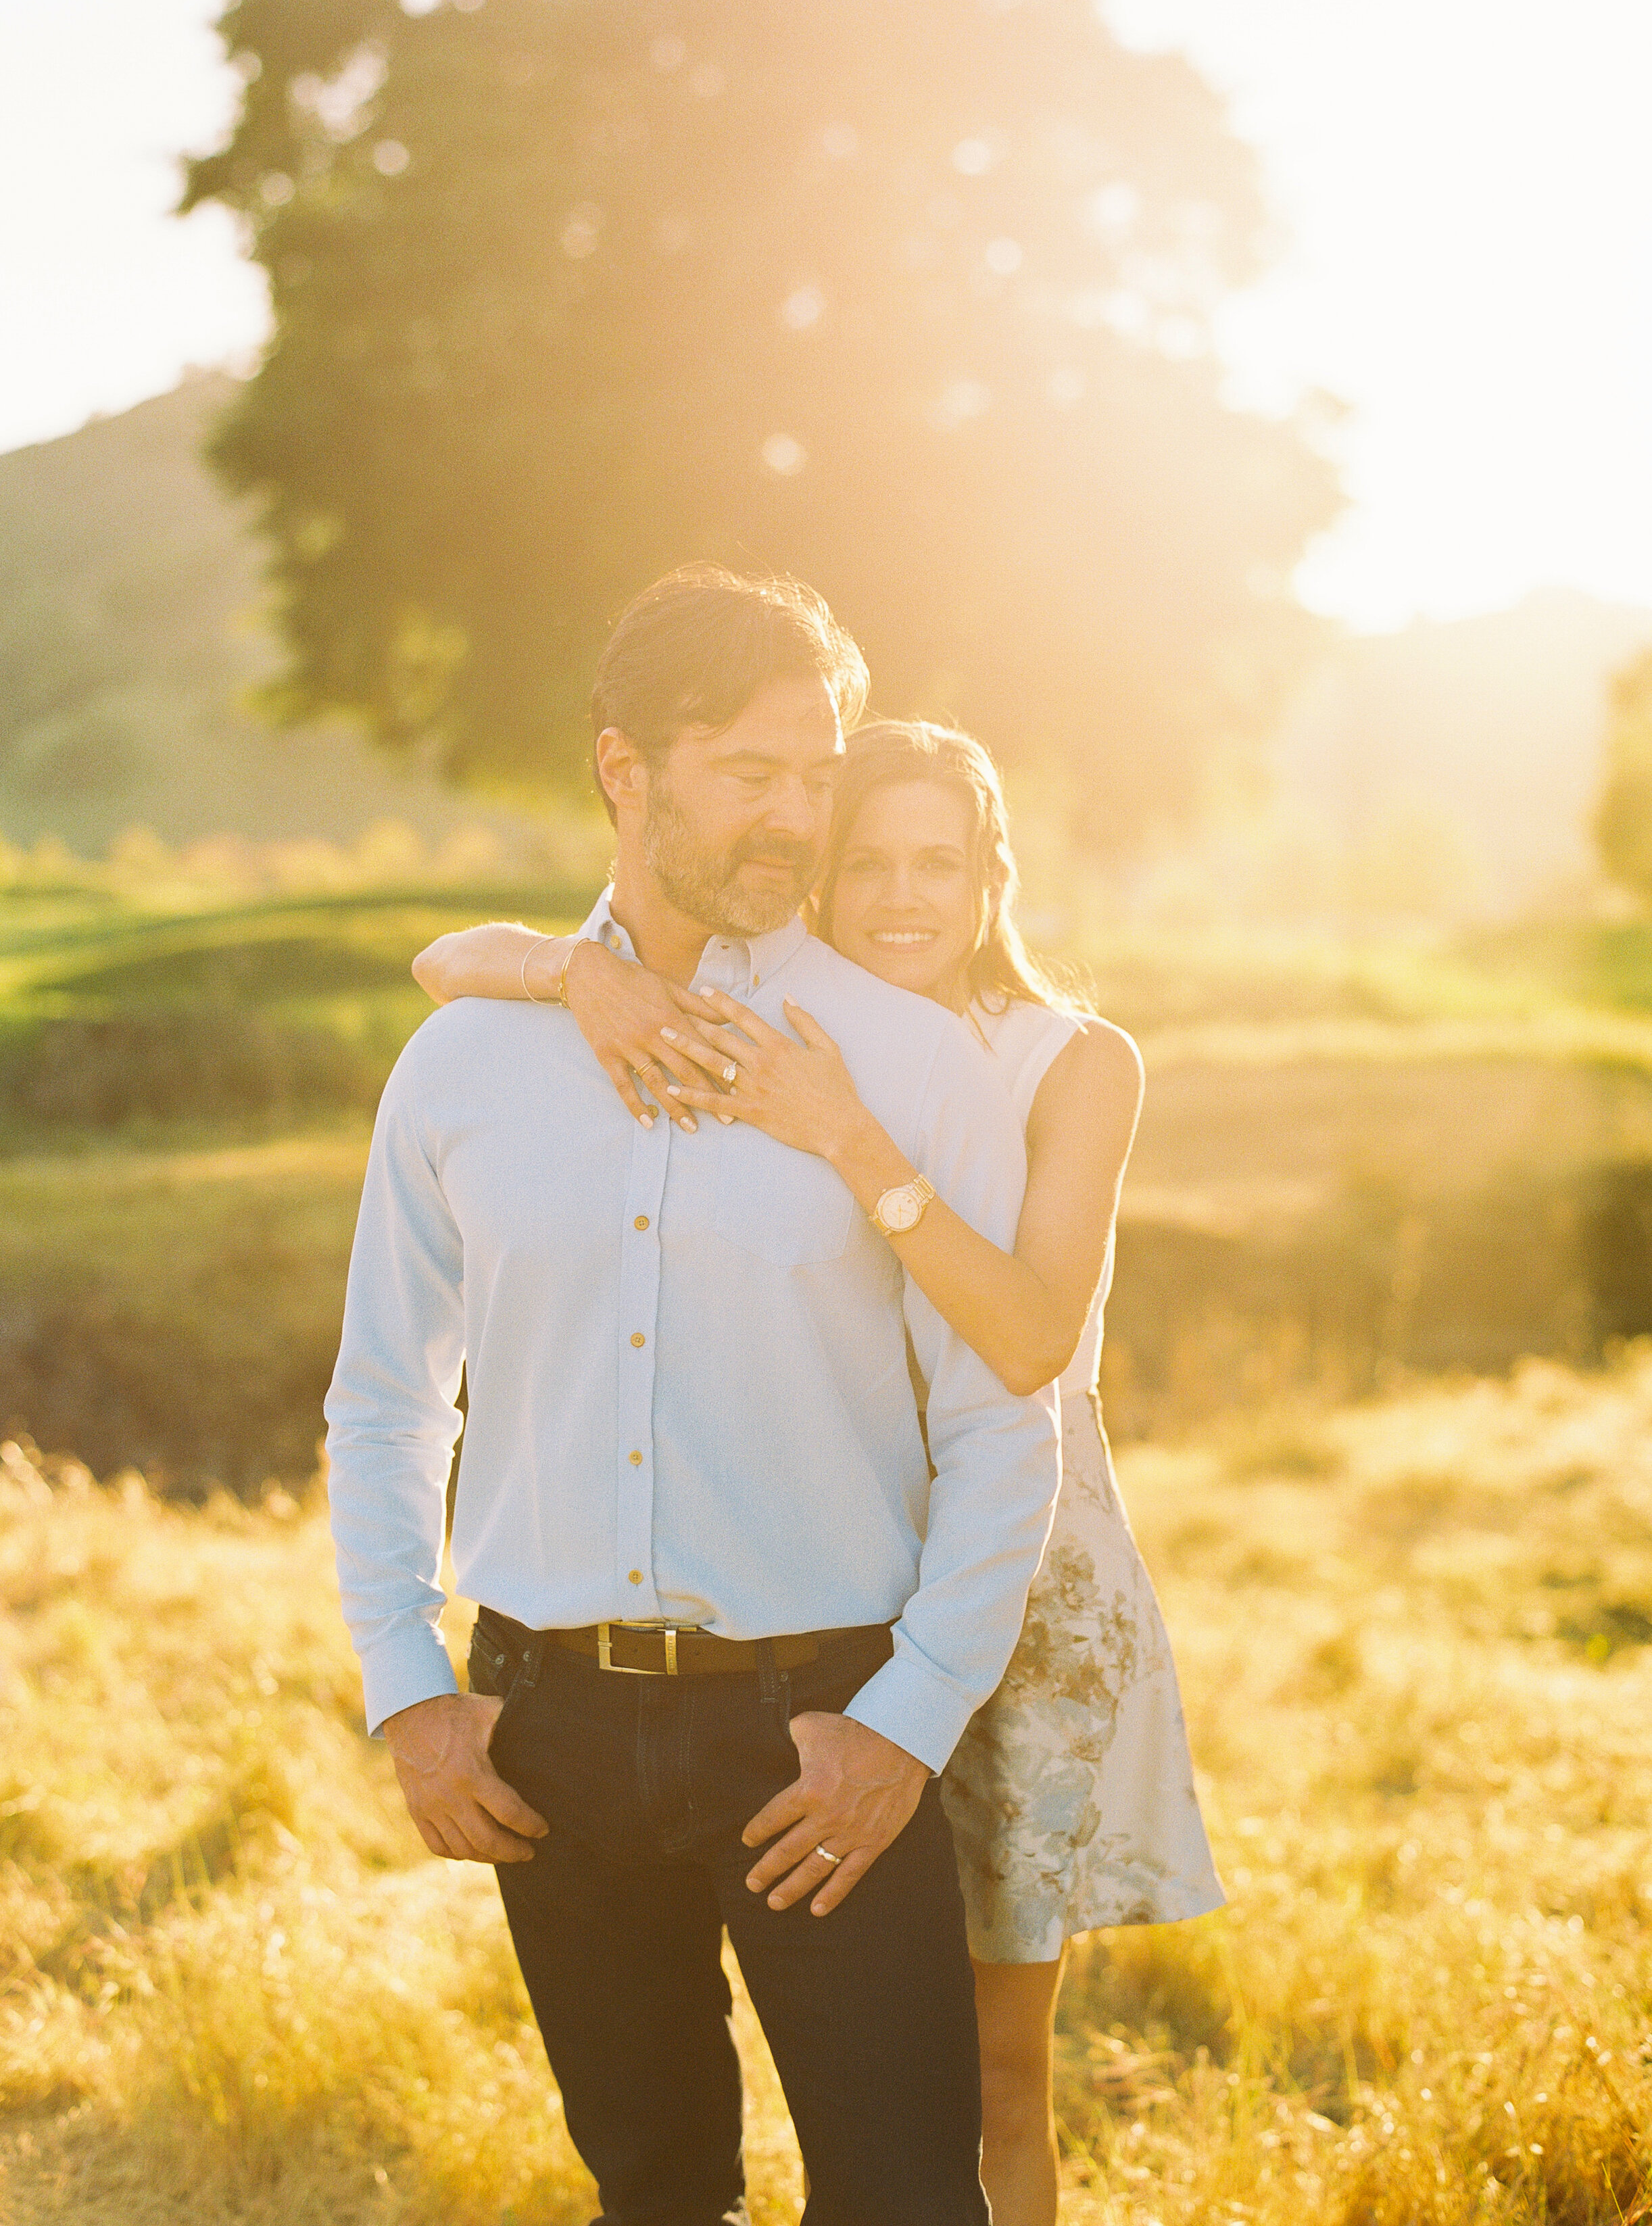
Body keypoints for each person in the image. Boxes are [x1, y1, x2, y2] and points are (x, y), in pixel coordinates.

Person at [325, 566, 1062, 2226]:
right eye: (748, 772)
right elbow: (384, 1395)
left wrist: (907, 1719)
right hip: (548, 1731)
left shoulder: (906, 1057)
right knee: (651, 2194)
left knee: (903, 2203)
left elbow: (1005, 1419)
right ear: (624, 770)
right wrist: (406, 1685)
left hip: (822, 1732)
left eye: (816, 772)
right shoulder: (464, 1062)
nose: (794, 817)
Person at [417, 718, 1224, 2226]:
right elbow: (446, 963)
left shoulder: (1058, 1061)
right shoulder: (765, 1012)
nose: (901, 897)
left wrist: (851, 1141)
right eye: (866, 864)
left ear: (994, 879)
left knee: (982, 2083)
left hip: (1013, 1584)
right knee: (814, 2054)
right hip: (837, 1594)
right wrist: (576, 969)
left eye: (939, 864)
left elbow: (1030, 1338)